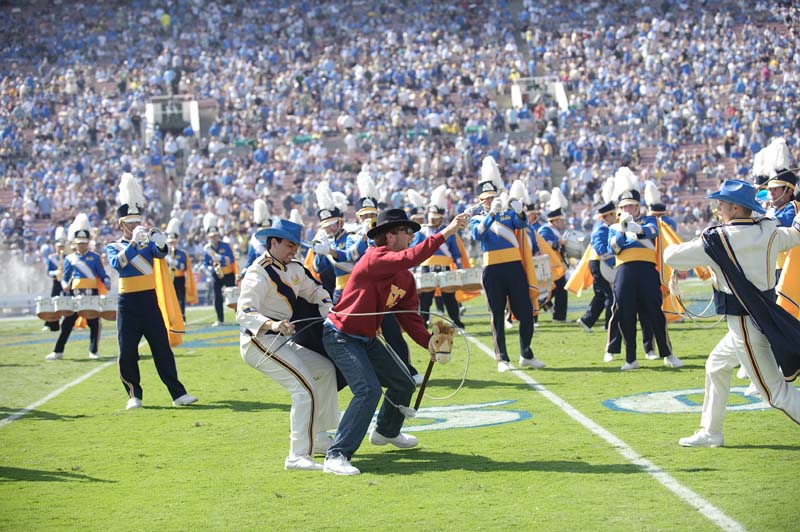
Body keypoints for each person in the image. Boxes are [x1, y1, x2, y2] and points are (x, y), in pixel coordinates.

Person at [321, 208, 469, 475]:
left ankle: (386, 432)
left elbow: (410, 318)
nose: (412, 235)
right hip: (341, 334)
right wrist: (448, 231)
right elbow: (414, 255)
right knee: (368, 391)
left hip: (365, 337)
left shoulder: (405, 277)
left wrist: (431, 344)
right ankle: (337, 454)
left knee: (403, 380)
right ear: (390, 236)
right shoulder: (374, 258)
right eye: (406, 231)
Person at [664, 179, 800, 447]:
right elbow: (794, 235)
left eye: (722, 203)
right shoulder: (769, 229)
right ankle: (711, 431)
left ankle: (711, 432)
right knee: (716, 365)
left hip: (745, 323)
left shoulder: (717, 239)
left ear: (736, 208)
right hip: (762, 317)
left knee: (775, 393)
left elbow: (671, 257)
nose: (718, 207)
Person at [237, 218, 339, 471]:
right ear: (274, 242)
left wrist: (329, 309)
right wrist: (272, 325)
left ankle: (319, 436)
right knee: (303, 390)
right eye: (290, 245)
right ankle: (297, 455)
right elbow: (244, 312)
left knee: (325, 370)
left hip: (280, 341)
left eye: (297, 246)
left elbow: (316, 291)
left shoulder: (294, 268)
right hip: (258, 341)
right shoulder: (257, 272)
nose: (295, 250)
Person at [106, 173, 197, 410]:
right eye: (131, 223)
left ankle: (178, 394)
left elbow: (161, 254)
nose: (136, 226)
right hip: (127, 303)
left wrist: (161, 241)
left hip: (149, 300)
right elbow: (118, 265)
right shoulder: (113, 246)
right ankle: (134, 395)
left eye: (138, 222)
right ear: (121, 224)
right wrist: (134, 244)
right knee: (127, 351)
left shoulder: (146, 245)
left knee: (161, 348)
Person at [469, 156, 544, 373]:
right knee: (497, 314)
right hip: (492, 269)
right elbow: (477, 233)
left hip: (513, 267)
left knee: (526, 311)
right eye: (486, 199)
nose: (490, 200)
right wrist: (491, 213)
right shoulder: (478, 218)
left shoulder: (506, 213)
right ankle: (502, 358)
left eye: (492, 197)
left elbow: (522, 223)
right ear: (481, 200)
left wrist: (519, 210)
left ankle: (526, 353)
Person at [608, 168, 682, 371]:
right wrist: (623, 230)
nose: (630, 210)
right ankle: (630, 358)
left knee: (655, 312)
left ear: (638, 207)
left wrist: (636, 229)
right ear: (620, 208)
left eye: (633, 206)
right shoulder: (614, 227)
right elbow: (613, 247)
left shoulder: (649, 220)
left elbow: (652, 232)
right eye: (626, 207)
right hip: (624, 272)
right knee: (625, 313)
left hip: (647, 270)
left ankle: (667, 353)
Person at [45, 214, 110, 361]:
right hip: (74, 295)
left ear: (88, 242)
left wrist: (106, 280)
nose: (82, 245)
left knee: (94, 323)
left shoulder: (94, 257)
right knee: (67, 323)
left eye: (84, 242)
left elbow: (102, 273)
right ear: (75, 243)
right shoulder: (69, 259)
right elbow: (65, 278)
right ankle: (58, 351)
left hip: (92, 294)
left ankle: (93, 351)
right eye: (79, 243)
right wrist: (64, 285)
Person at [413, 184, 465, 329]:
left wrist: (459, 267)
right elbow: (414, 251)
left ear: (441, 218)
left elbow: (455, 252)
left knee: (449, 297)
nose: (433, 220)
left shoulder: (449, 231)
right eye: (432, 218)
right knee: (425, 299)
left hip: (445, 266)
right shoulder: (422, 231)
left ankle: (457, 321)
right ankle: (422, 324)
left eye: (436, 218)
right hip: (425, 268)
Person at [576, 200, 617, 340]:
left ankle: (587, 320)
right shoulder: (601, 228)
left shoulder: (606, 227)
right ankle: (608, 324)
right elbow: (601, 249)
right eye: (613, 214)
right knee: (609, 296)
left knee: (600, 295)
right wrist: (613, 262)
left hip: (601, 263)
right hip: (600, 263)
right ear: (608, 215)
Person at [538, 197, 569, 323]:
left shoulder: (554, 230)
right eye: (561, 220)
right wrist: (559, 242)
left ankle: (558, 315)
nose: (563, 222)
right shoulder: (545, 230)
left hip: (556, 265)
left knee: (558, 289)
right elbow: (545, 245)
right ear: (555, 220)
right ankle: (549, 310)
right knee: (552, 290)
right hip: (550, 266)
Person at [203, 212, 236, 326]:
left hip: (228, 273)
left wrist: (219, 258)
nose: (214, 238)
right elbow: (205, 263)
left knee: (233, 296)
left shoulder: (225, 245)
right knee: (217, 297)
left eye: (215, 235)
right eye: (211, 236)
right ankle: (220, 319)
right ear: (208, 237)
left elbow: (231, 259)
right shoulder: (207, 249)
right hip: (215, 274)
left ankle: (239, 317)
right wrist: (210, 268)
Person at [165, 218, 197, 322]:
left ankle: (182, 315)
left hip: (179, 277)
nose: (172, 245)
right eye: (170, 243)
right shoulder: (165, 254)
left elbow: (184, 267)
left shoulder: (182, 253)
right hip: (169, 278)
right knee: (170, 298)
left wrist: (176, 263)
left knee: (181, 298)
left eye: (173, 242)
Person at [42, 226, 67, 332]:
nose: (60, 248)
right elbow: (48, 271)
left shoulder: (68, 257)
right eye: (58, 247)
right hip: (56, 281)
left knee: (67, 302)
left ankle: (68, 322)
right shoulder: (51, 257)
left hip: (66, 282)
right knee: (53, 302)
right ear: (55, 247)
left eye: (62, 246)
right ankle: (50, 324)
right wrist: (55, 272)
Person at [243, 198, 271, 272]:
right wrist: (243, 271)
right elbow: (250, 260)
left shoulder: (275, 238)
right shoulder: (255, 241)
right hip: (262, 273)